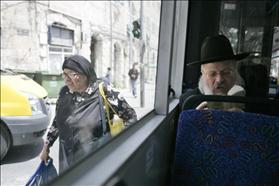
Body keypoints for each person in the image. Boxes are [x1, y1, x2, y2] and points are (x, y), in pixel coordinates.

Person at [40, 55, 137, 173]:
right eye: (64, 75)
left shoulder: (104, 91)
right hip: (67, 160)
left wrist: (115, 143)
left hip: (94, 161)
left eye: (70, 75)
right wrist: (47, 146)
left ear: (84, 74)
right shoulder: (65, 93)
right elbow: (57, 121)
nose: (66, 80)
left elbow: (131, 117)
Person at [180, 34, 249, 110]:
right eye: (212, 74)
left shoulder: (252, 101)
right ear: (203, 73)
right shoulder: (189, 101)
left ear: (235, 70)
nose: (219, 80)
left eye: (226, 72)